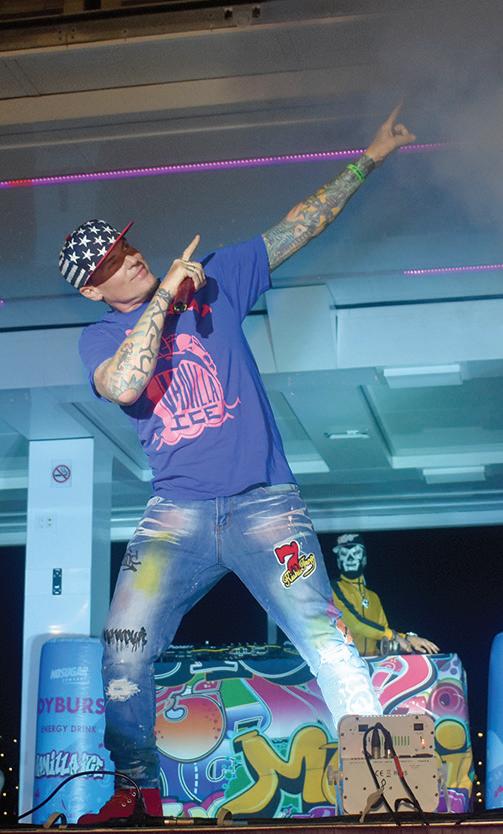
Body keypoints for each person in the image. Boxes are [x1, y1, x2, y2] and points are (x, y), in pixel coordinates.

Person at [59, 106, 415, 823]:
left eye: (128, 248)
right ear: (93, 290)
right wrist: (164, 296)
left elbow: (298, 226)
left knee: (326, 639)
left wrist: (369, 157)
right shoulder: (99, 339)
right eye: (111, 265)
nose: (131, 260)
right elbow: (125, 384)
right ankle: (136, 792)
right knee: (123, 650)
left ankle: (383, 783)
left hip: (267, 508)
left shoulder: (217, 279)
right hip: (174, 519)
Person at [331, 533, 440, 656]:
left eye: (356, 553)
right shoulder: (333, 588)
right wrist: (395, 636)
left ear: (364, 558)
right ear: (338, 560)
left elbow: (383, 633)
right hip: (343, 663)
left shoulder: (373, 597)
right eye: (344, 554)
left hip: (372, 663)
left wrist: (408, 638)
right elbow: (355, 624)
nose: (350, 559)